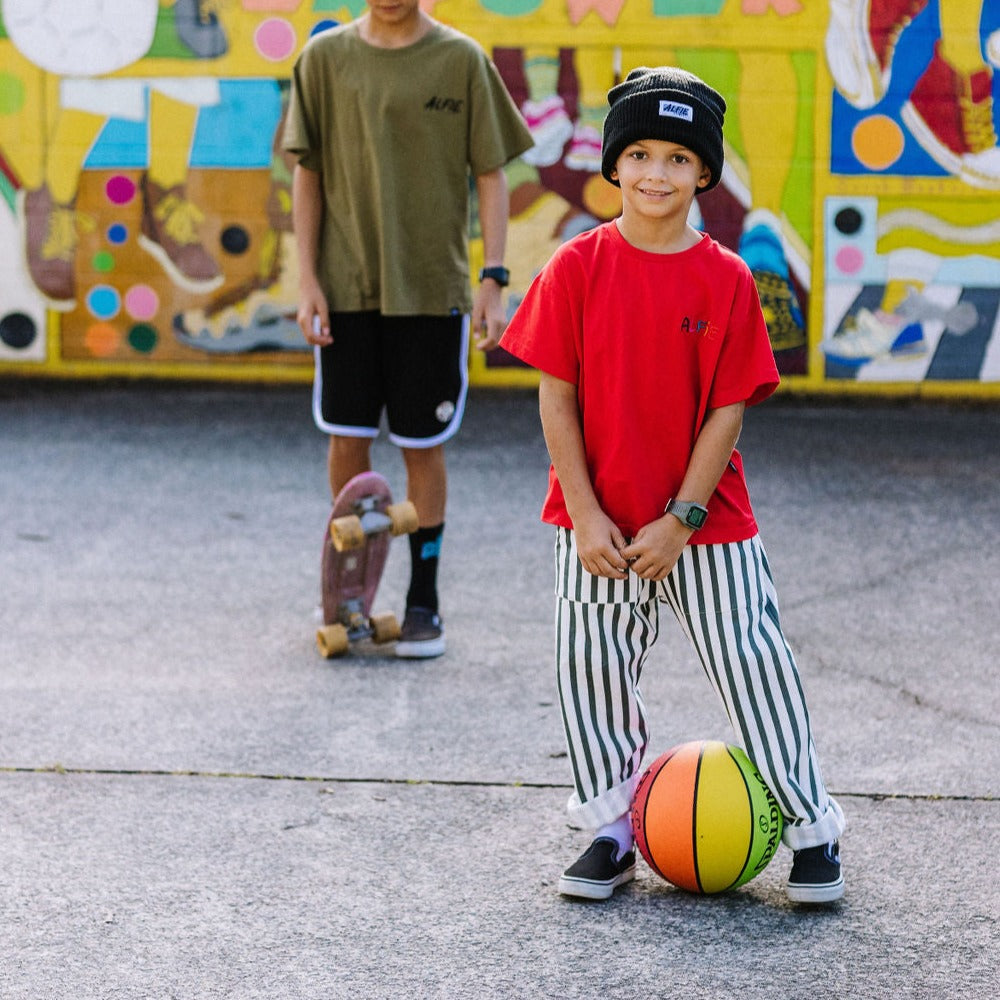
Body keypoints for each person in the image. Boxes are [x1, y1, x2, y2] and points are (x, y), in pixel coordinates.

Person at [500, 66, 846, 903]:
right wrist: (584, 514)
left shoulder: (726, 278)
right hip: (598, 522)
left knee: (753, 663)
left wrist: (682, 519)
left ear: (704, 174)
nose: (657, 173)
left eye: (679, 158)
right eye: (642, 153)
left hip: (705, 521)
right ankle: (612, 829)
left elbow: (728, 409)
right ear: (616, 164)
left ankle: (811, 832)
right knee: (589, 669)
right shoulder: (575, 267)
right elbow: (557, 397)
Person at [283, 0, 532, 658]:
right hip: (345, 287)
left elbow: (491, 173)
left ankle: (424, 598)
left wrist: (493, 278)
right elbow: (305, 176)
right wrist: (306, 279)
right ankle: (351, 587)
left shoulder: (461, 60)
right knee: (348, 441)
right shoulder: (324, 59)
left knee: (423, 446)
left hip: (430, 289)